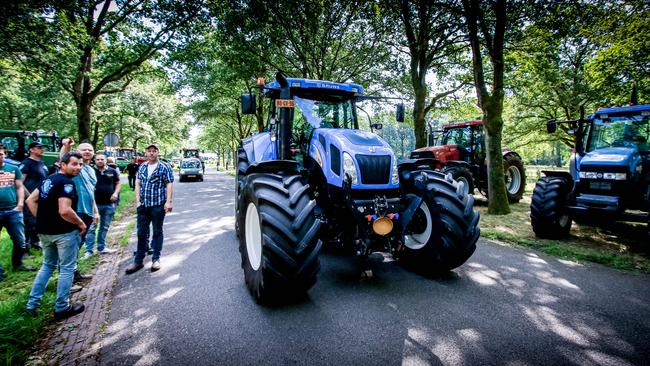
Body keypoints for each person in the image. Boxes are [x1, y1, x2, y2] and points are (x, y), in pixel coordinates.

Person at [24, 152, 87, 320]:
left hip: (44, 232)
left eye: (80, 164)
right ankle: (62, 307)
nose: (78, 167)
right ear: (63, 164)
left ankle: (31, 305)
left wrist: (44, 220)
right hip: (64, 233)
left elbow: (30, 200)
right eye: (74, 164)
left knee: (47, 266)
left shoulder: (48, 179)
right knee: (66, 269)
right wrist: (81, 223)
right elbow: (65, 210)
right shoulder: (66, 183)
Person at [126, 144, 174, 274]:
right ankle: (138, 260)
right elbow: (138, 183)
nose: (151, 153)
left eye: (154, 151)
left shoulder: (164, 166)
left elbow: (169, 183)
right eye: (149, 151)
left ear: (158, 152)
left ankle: (156, 259)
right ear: (146, 153)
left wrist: (168, 202)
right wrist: (137, 201)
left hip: (158, 204)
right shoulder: (142, 167)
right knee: (141, 232)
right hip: (143, 205)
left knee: (157, 231)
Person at [60, 138, 98, 282]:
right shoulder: (75, 169)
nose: (87, 151)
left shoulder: (90, 170)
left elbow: (91, 192)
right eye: (84, 149)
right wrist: (66, 146)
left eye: (90, 149)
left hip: (88, 212)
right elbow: (63, 158)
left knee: (78, 245)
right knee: (70, 247)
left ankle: (74, 274)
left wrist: (96, 212)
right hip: (76, 212)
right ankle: (66, 280)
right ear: (77, 151)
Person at [0, 144, 35, 280]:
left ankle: (18, 263)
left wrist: (20, 204)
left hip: (12, 210)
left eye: (1, 154)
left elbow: (19, 187)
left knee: (20, 242)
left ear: (5, 154)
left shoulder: (13, 169)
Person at [83, 154, 121, 258]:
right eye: (98, 159)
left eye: (102, 159)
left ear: (106, 160)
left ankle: (101, 247)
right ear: (94, 160)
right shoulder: (90, 171)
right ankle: (89, 250)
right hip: (93, 205)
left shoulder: (112, 171)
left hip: (109, 204)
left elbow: (118, 182)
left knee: (104, 227)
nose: (100, 161)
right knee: (91, 227)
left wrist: (116, 193)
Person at [20, 142, 49, 252]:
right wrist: (29, 197)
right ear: (31, 150)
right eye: (39, 148)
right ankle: (24, 249)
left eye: (43, 147)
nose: (42, 149)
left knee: (37, 222)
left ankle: (35, 243)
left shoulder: (42, 163)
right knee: (28, 223)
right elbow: (20, 182)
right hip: (29, 199)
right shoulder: (26, 163)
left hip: (41, 198)